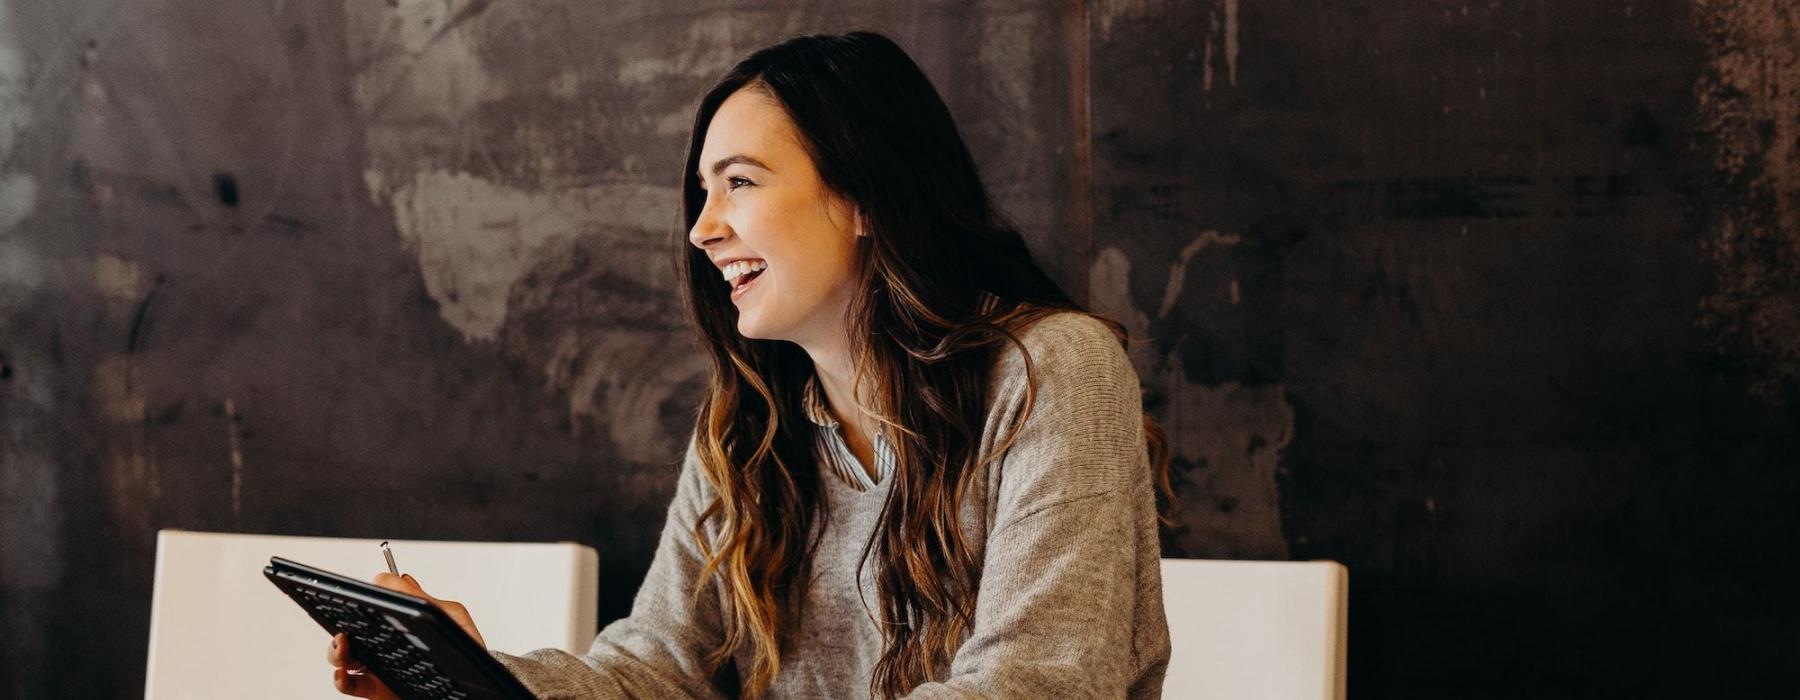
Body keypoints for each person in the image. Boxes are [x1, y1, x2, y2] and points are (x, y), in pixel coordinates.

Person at [328, 30, 1173, 699]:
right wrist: (478, 677)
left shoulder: (1051, 373)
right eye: (703, 192)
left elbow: (1042, 684)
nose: (703, 229)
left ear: (864, 197)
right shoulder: (749, 425)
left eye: (740, 182)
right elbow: (658, 672)